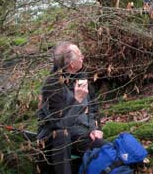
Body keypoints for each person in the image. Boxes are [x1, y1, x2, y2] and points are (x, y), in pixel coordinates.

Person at [37, 42, 105, 174]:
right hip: (55, 140)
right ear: (71, 64)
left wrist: (95, 129)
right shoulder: (52, 85)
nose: (83, 57)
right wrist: (77, 100)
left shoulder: (81, 77)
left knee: (108, 149)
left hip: (81, 135)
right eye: (80, 55)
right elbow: (60, 124)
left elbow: (93, 109)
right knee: (63, 135)